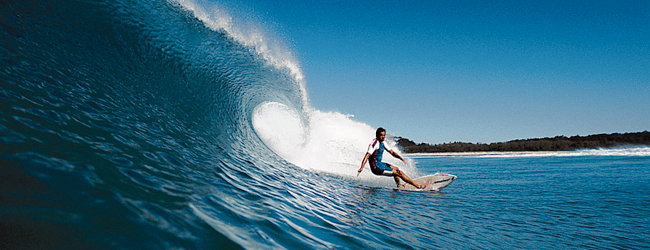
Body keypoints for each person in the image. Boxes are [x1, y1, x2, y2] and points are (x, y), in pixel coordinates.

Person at [357, 127, 429, 189]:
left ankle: (399, 186)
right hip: (376, 168)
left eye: (384, 135)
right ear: (377, 135)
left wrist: (401, 158)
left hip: (380, 164)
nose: (383, 137)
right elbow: (367, 156)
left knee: (396, 168)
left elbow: (392, 152)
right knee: (399, 173)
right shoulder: (374, 144)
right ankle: (418, 186)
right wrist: (361, 168)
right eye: (381, 135)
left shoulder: (383, 143)